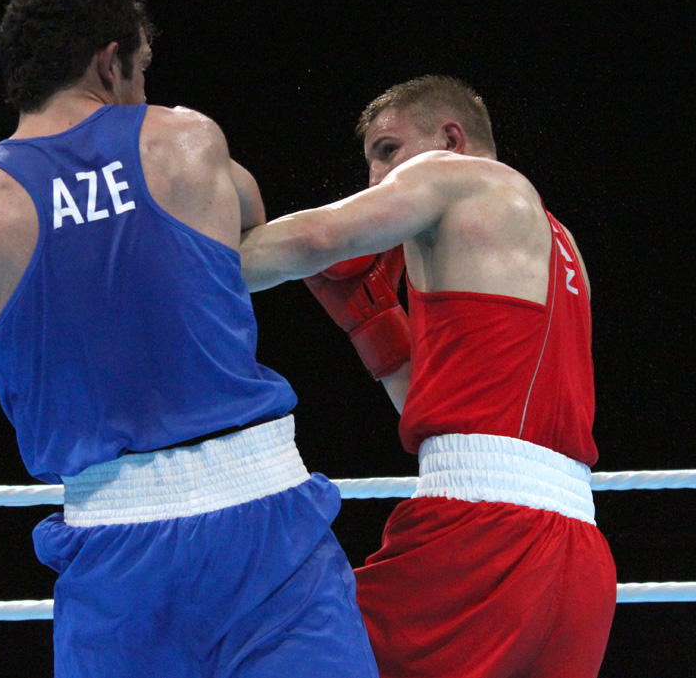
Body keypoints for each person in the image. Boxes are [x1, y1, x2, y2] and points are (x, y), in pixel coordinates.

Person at [0, 0, 378, 678]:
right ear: (111, 62)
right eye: (141, 71)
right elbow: (248, 232)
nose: (144, 94)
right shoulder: (189, 142)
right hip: (267, 530)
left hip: (117, 558)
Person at [240, 75, 616, 678]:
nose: (377, 180)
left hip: (481, 537)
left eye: (388, 151)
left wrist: (175, 267)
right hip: (578, 559)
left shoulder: (458, 176)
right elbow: (464, 417)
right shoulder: (558, 241)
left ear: (450, 138)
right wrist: (376, 331)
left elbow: (313, 238)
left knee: (278, 649)